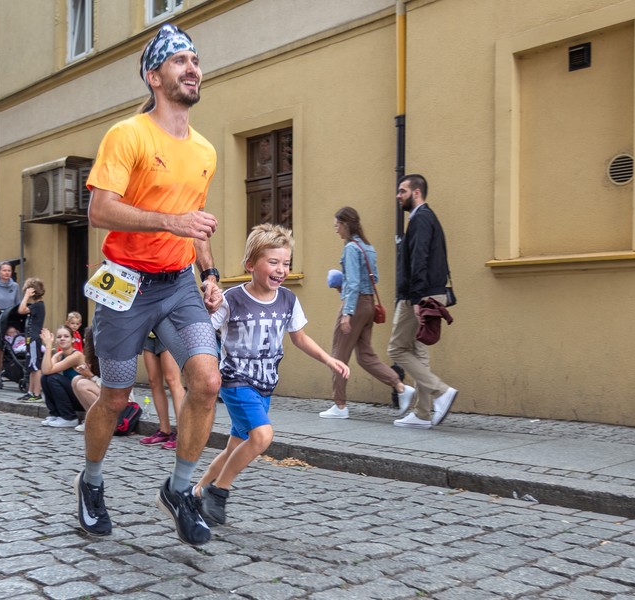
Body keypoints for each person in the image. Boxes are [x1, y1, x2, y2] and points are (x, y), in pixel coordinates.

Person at [76, 23, 222, 547]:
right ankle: (92, 483)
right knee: (115, 397)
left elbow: (195, 222)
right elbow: (100, 210)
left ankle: (179, 491)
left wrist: (209, 275)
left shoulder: (205, 150)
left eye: (195, 60)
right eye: (180, 60)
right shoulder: (128, 135)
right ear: (154, 76)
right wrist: (170, 222)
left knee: (207, 382)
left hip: (179, 285)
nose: (192, 68)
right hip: (125, 286)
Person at [193, 224, 350, 526]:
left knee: (236, 446)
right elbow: (204, 329)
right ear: (250, 265)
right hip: (236, 381)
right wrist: (207, 311)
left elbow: (299, 338)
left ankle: (197, 491)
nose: (281, 269)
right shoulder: (232, 299)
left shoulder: (288, 299)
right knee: (262, 436)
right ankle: (218, 491)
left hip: (265, 385)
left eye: (286, 263)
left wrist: (329, 359)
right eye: (273, 262)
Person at [319, 207, 415, 419]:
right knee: (365, 356)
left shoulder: (351, 249)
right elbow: (374, 278)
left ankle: (340, 406)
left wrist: (347, 313)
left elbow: (354, 283)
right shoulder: (368, 248)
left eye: (337, 225)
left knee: (338, 355)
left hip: (354, 306)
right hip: (369, 304)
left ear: (345, 224)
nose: (336, 230)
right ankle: (400, 387)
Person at [389, 174, 458, 429]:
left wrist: (417, 298)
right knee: (419, 352)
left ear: (416, 192)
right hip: (428, 292)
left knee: (397, 349)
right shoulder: (427, 218)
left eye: (402, 191)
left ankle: (441, 391)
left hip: (419, 296)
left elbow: (419, 258)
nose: (398, 195)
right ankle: (422, 414)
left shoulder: (420, 219)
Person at [138, 332, 186, 450]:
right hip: (149, 333)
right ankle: (164, 431)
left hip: (169, 331)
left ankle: (183, 434)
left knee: (172, 380)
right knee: (153, 381)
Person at [39, 326, 85, 428]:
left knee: (53, 378)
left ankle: (69, 417)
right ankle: (56, 414)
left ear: (73, 340)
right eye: (59, 337)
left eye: (66, 336)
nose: (62, 339)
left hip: (82, 400)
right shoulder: (59, 355)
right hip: (72, 396)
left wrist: (48, 346)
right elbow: (45, 371)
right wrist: (49, 349)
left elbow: (47, 370)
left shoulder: (76, 355)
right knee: (45, 378)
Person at [17, 277, 46, 402]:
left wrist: (26, 296)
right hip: (31, 339)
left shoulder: (38, 306)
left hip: (34, 339)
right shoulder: (36, 306)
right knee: (31, 367)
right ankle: (30, 392)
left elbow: (21, 310)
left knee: (35, 366)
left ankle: (37, 394)